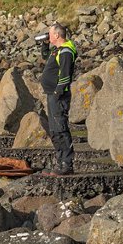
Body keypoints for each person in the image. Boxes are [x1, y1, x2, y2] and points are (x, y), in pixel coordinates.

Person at [39, 22, 77, 176]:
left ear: (56, 35)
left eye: (49, 34)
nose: (48, 35)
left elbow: (65, 75)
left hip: (58, 96)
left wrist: (57, 93)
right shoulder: (58, 50)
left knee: (60, 128)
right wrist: (44, 45)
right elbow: (45, 57)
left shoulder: (66, 51)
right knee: (54, 130)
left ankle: (67, 164)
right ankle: (60, 162)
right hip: (51, 94)